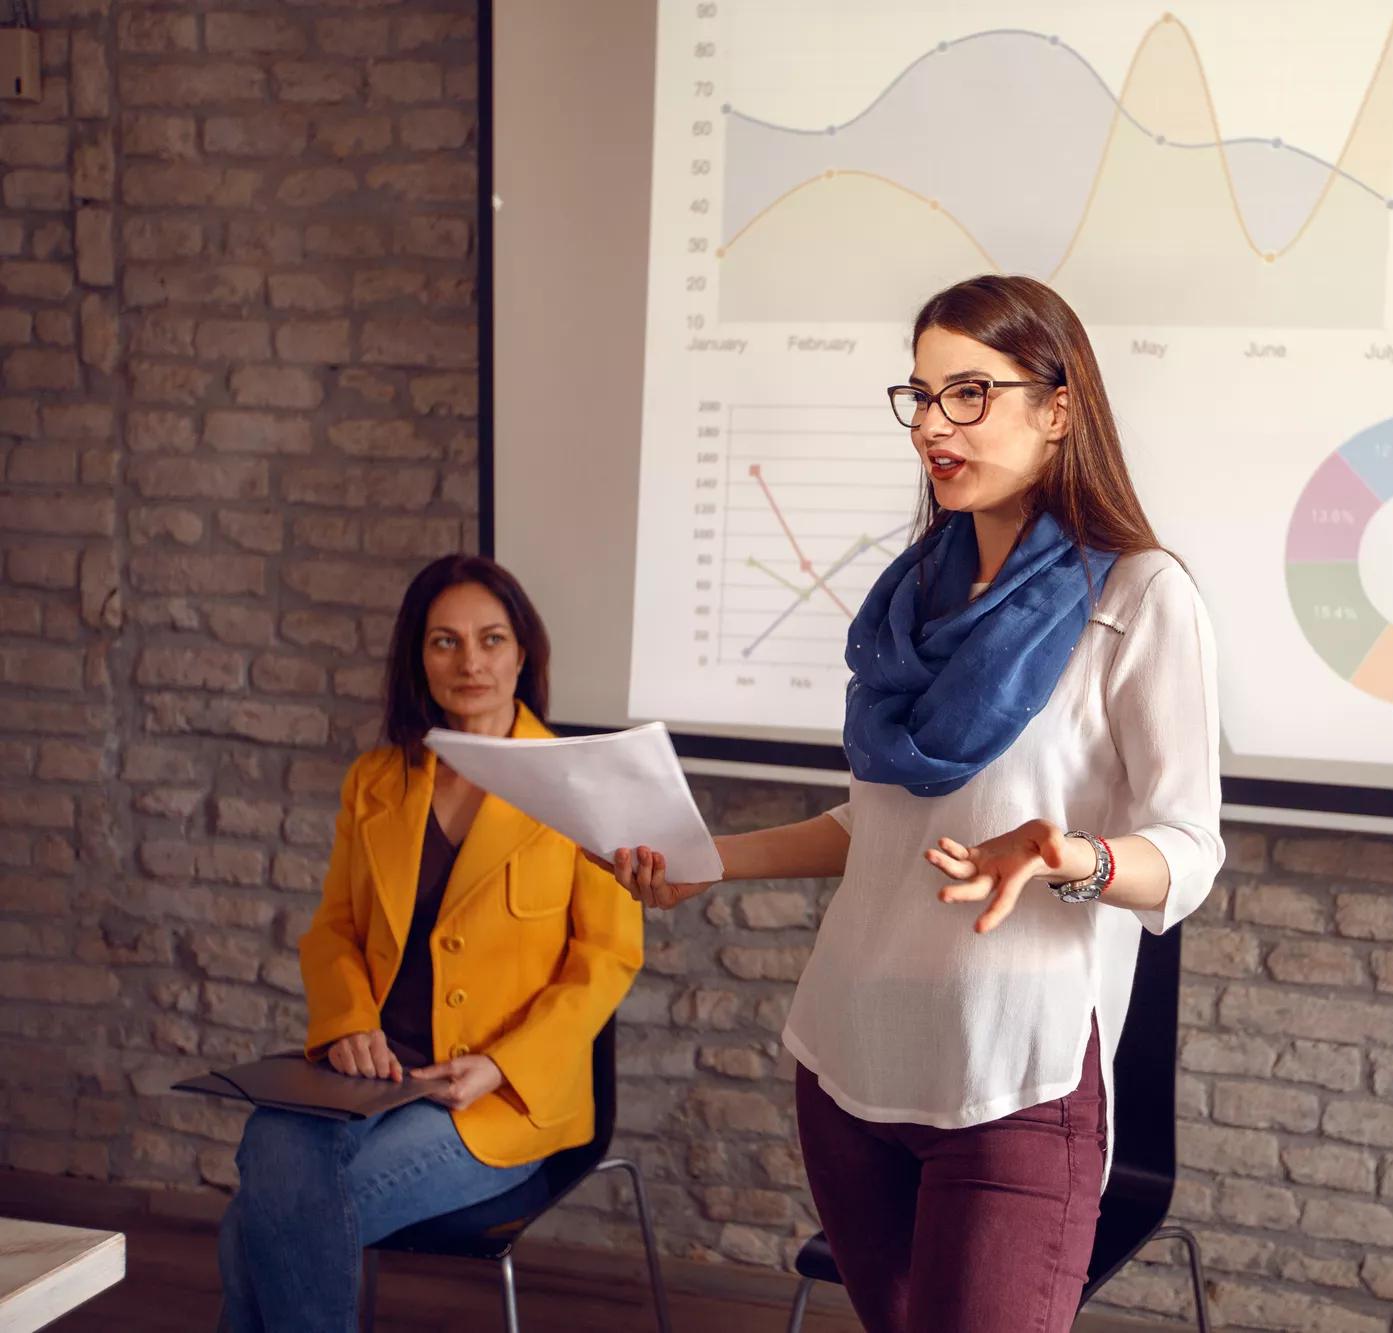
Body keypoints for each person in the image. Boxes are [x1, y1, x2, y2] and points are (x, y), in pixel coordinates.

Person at [612, 274, 1224, 1332]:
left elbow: (1188, 850)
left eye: (969, 394)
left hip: (1012, 1082)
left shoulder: (1137, 598)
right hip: (848, 1059)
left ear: (1058, 407)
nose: (933, 426)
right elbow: (882, 827)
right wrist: (711, 859)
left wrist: (1063, 853)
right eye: (920, 396)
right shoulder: (912, 596)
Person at [218, 555, 644, 1333]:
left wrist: (502, 1063)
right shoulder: (375, 781)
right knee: (271, 1141)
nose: (470, 661)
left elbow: (606, 960)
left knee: (260, 1223)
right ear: (419, 657)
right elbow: (335, 930)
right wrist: (349, 1021)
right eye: (445, 642)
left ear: (523, 652)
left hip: (491, 1095)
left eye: (491, 639)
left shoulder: (583, 786)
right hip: (370, 1070)